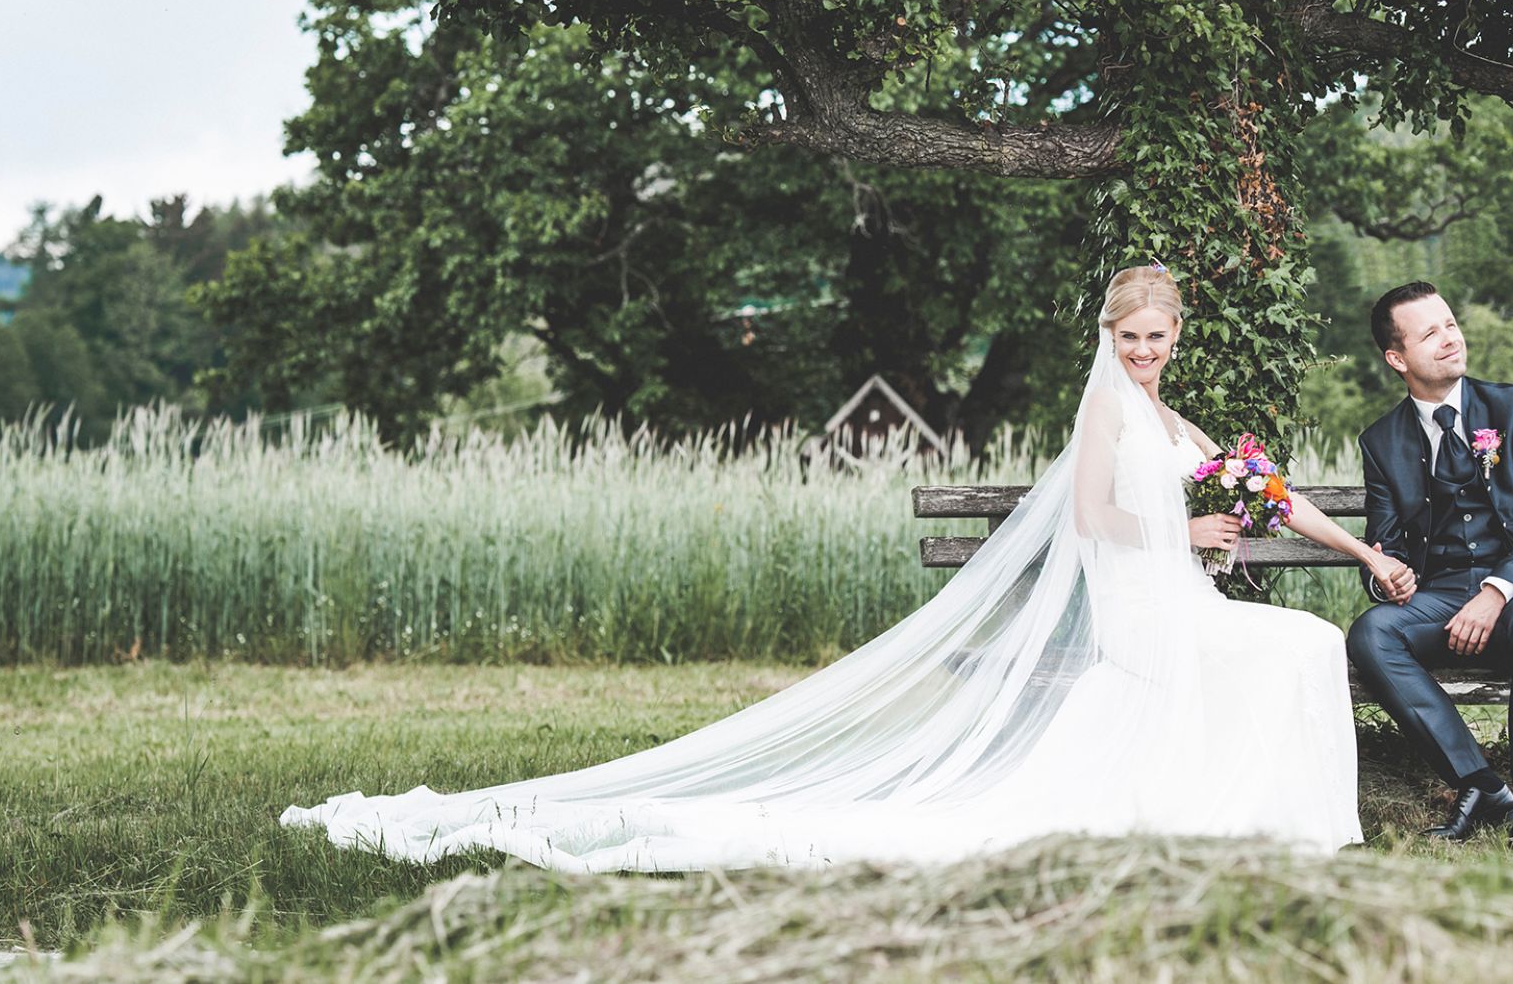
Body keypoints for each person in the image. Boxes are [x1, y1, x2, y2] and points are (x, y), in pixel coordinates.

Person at [282, 266, 1397, 870]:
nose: (1143, 352)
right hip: (1142, 610)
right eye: (1129, 338)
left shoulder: (1175, 416)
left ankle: (1256, 817)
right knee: (1297, 645)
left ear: (1175, 340)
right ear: (1107, 337)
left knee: (1297, 641)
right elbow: (1097, 522)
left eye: (1157, 339)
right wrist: (1189, 539)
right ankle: (1264, 821)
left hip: (1177, 608)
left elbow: (1268, 491)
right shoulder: (1104, 417)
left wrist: (1359, 549)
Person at [1346, 281, 1513, 853]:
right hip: (1439, 602)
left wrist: (1496, 591)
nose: (1449, 339)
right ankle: (1481, 785)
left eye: (1451, 324)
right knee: (1372, 631)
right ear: (1397, 358)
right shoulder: (1381, 442)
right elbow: (1383, 542)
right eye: (1429, 332)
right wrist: (1387, 574)